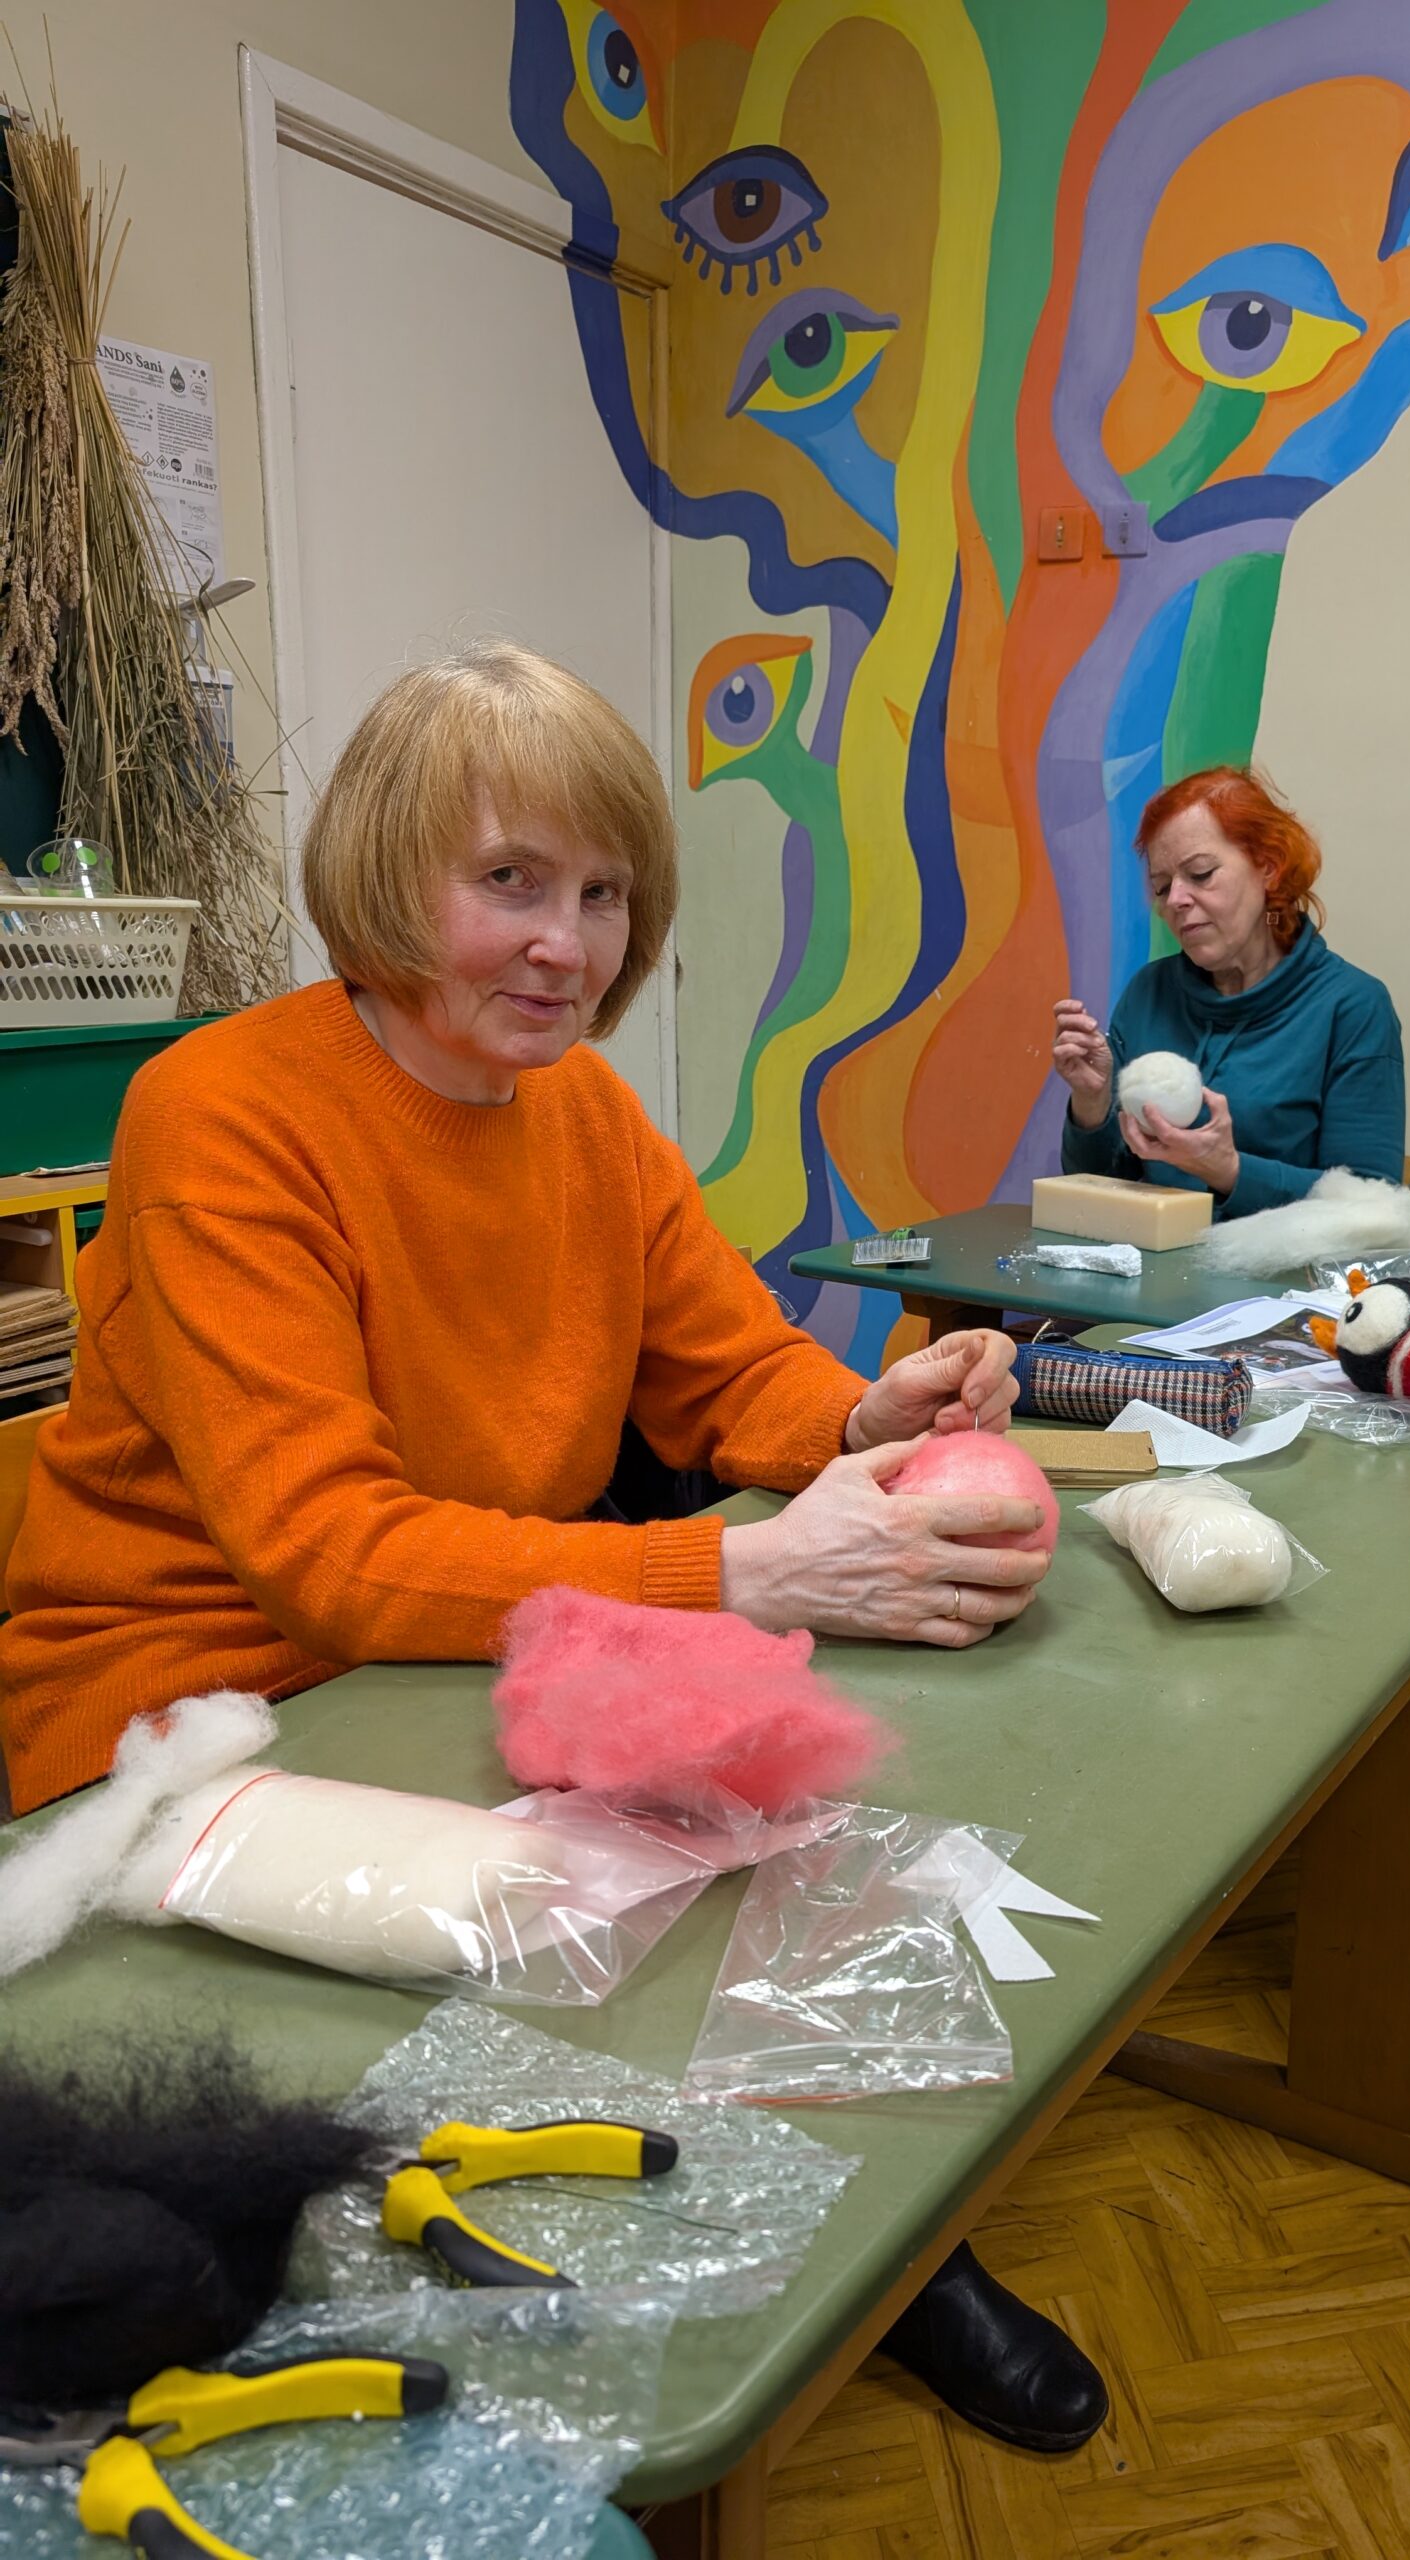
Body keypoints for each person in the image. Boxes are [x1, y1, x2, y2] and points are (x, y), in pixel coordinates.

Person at [0, 644, 1105, 2455]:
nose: (566, 946)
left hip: (425, 1661)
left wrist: (863, 1419)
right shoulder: (222, 1114)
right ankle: (756, 2288)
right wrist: (745, 1575)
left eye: (602, 895)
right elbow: (326, 1553)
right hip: (181, 1719)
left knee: (746, 1858)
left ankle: (883, 2248)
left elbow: (721, 1363)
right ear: (385, 876)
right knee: (609, 1911)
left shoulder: (582, 1112)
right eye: (509, 881)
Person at [1053, 766, 1403, 1217]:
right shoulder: (1148, 992)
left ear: (1268, 868)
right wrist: (1093, 1101)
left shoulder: (1352, 1007)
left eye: (1200, 874)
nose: (1175, 900)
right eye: (1162, 886)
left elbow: (1372, 1207)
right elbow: (1097, 1185)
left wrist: (1229, 1171)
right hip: (1148, 1258)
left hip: (1280, 1265)